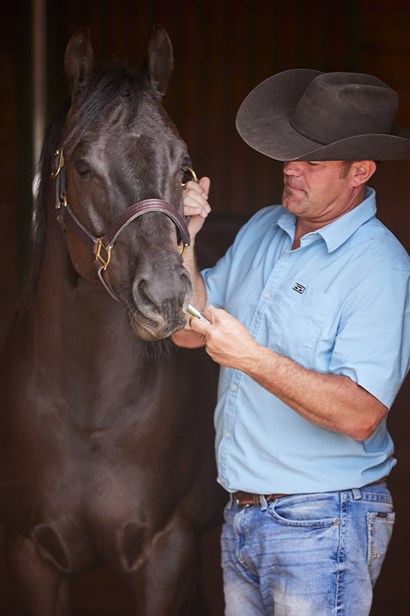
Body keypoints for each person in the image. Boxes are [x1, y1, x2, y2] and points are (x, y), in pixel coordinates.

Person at [172, 69, 410, 616]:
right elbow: (189, 328)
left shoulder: (378, 266)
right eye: (290, 155)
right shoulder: (263, 227)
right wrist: (183, 239)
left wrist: (252, 359)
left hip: (325, 519)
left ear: (360, 172)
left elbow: (360, 415)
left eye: (312, 161)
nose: (290, 168)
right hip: (244, 513)